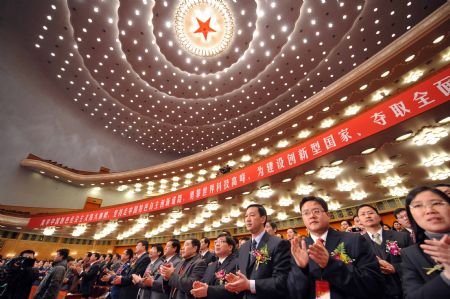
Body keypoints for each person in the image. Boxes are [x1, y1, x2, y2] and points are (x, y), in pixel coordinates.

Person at [288, 196, 382, 299]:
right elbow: (293, 292)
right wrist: (302, 269)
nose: (311, 216)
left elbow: (372, 282)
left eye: (316, 211)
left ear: (328, 215)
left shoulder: (354, 240)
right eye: (306, 213)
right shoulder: (299, 248)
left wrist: (331, 264)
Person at [224, 204, 291, 299]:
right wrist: (237, 282)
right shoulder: (243, 248)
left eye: (252, 215)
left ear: (263, 219)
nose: (247, 219)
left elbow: (282, 281)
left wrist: (249, 284)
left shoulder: (278, 244)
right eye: (246, 216)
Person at [401, 186, 450, 298]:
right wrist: (447, 276)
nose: (429, 210)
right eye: (418, 205)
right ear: (411, 215)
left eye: (437, 203)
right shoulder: (411, 254)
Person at [358, 204, 412, 299]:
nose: (367, 216)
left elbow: (415, 261)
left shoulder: (402, 236)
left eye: (370, 213)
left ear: (379, 217)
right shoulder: (357, 243)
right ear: (360, 222)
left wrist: (395, 268)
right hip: (378, 292)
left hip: (406, 288)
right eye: (363, 214)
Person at [191, 233, 240, 299]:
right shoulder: (211, 266)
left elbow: (234, 288)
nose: (217, 244)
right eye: (216, 242)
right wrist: (198, 288)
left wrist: (208, 290)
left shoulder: (237, 263)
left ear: (230, 247)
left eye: (222, 242)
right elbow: (204, 282)